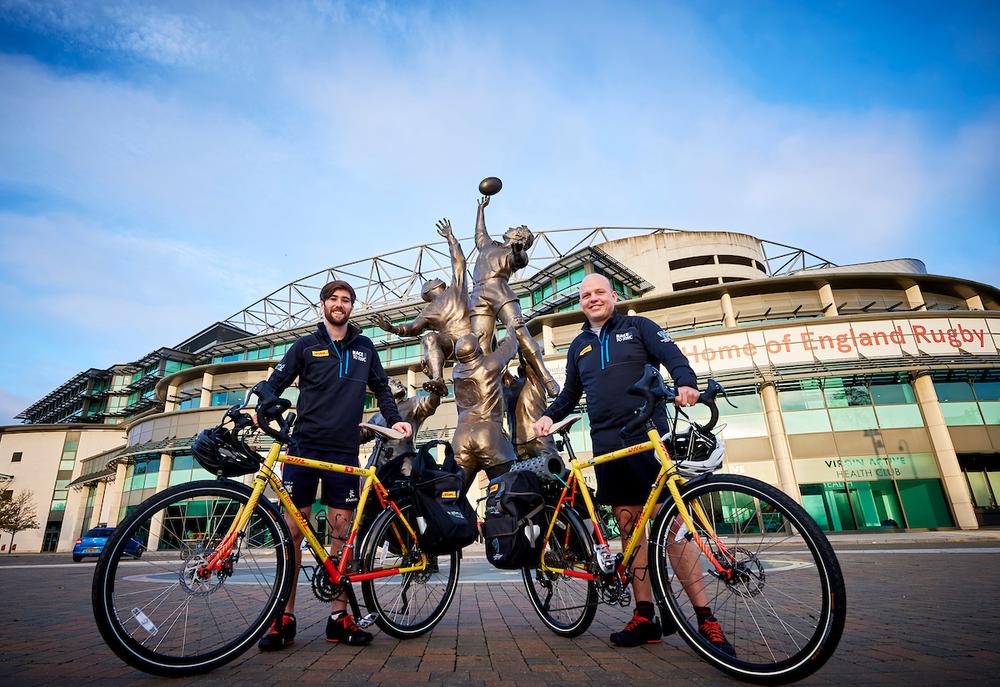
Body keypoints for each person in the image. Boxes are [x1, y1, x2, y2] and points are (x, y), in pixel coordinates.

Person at [532, 273, 733, 653]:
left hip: (648, 434)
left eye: (599, 293)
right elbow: (571, 393)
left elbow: (673, 358)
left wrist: (685, 383)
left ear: (613, 295)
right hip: (607, 444)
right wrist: (548, 414)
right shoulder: (579, 345)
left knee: (672, 529)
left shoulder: (639, 326)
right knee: (630, 530)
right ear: (580, 302)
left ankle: (705, 619)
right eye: (585, 295)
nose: (592, 299)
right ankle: (645, 616)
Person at [254, 279, 412, 651]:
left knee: (342, 533)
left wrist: (393, 420)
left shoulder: (364, 347)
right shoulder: (304, 345)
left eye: (346, 300)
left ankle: (340, 618)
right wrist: (262, 404)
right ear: (322, 305)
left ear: (351, 307)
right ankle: (284, 617)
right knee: (291, 532)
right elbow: (274, 383)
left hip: (343, 451)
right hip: (302, 449)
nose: (339, 305)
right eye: (333, 299)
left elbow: (383, 388)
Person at [469, 195, 560, 398]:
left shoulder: (515, 252)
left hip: (499, 291)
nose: (510, 227)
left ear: (519, 237)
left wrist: (518, 251)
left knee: (518, 330)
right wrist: (481, 209)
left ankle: (546, 378)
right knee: (480, 345)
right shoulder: (489, 245)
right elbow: (479, 232)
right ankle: (488, 394)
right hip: (478, 295)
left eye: (515, 228)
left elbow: (518, 260)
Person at [373, 219, 472, 397]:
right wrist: (392, 328)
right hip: (452, 343)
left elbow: (459, 262)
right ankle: (438, 379)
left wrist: (451, 238)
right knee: (429, 337)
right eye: (431, 280)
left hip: (473, 336)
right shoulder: (429, 311)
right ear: (430, 290)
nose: (434, 278)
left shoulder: (456, 290)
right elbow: (412, 328)